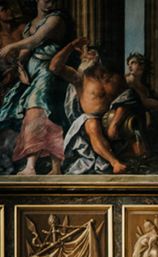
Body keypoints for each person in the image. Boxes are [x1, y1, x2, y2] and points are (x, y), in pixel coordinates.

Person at [0, 0, 73, 175]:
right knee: (44, 116)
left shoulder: (56, 19)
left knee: (39, 113)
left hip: (49, 73)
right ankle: (54, 167)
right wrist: (20, 69)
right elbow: (26, 52)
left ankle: (31, 166)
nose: (50, 1)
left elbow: (35, 41)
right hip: (33, 76)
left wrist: (11, 46)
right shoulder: (31, 23)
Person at [50, 37, 142, 174]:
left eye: (88, 52)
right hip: (89, 121)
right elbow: (54, 67)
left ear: (98, 56)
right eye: (82, 54)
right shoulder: (79, 77)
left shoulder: (115, 78)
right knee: (91, 122)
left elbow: (127, 99)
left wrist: (114, 124)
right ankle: (114, 163)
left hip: (113, 118)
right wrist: (71, 45)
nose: (84, 56)